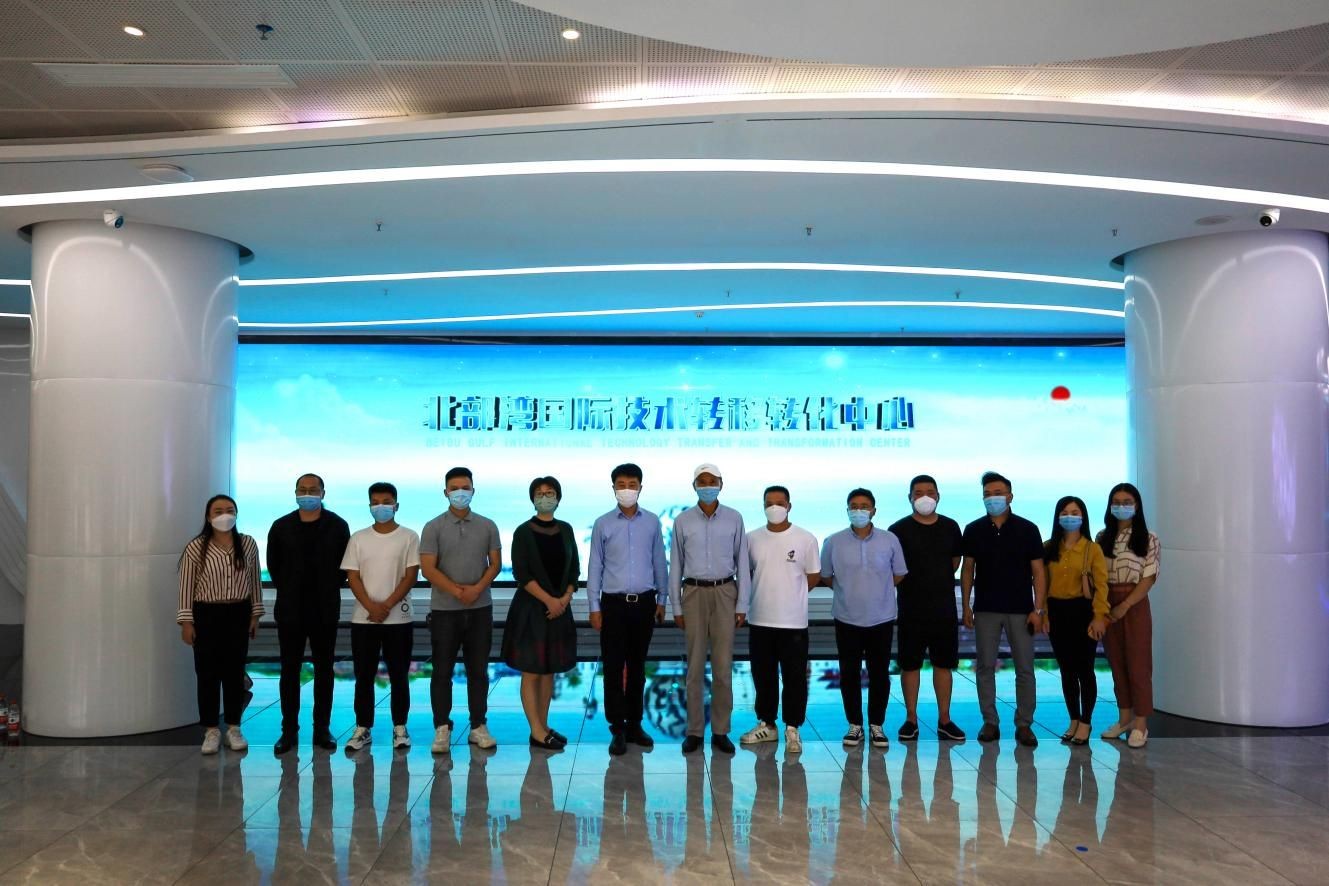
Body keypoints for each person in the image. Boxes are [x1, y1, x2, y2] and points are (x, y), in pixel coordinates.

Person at [668, 463, 751, 755]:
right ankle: (694, 731)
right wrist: (675, 606)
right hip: (692, 593)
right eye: (701, 481)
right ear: (694, 486)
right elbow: (676, 564)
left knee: (723, 667)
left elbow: (742, 562)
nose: (707, 486)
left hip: (725, 592)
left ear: (721, 484)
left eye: (712, 480)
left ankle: (720, 731)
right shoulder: (682, 521)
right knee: (694, 668)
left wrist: (742, 603)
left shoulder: (734, 518)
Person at [266, 472, 351, 755]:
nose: (307, 494)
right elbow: (274, 567)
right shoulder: (281, 526)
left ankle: (322, 729)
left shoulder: (338, 526)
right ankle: (288, 730)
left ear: (323, 493)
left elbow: (344, 568)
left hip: (324, 609)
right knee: (289, 670)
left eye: (313, 490)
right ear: (295, 493)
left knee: (324, 669)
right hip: (290, 609)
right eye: (302, 489)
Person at [960, 471, 1047, 747]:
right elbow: (968, 569)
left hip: (1021, 610)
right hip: (986, 609)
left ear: (1010, 496)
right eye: (987, 494)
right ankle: (990, 722)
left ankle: (1024, 724)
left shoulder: (1028, 529)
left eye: (997, 493)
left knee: (1025, 668)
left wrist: (1038, 609)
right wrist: (966, 605)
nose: (992, 498)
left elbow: (1039, 572)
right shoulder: (973, 529)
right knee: (985, 667)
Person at [419, 467, 502, 755]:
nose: (460, 492)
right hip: (445, 610)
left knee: (478, 671)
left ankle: (478, 726)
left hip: (480, 609)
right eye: (454, 488)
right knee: (442, 671)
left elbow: (495, 564)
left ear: (473, 490)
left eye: (465, 487)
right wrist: (457, 592)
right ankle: (442, 727)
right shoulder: (433, 527)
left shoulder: (488, 525)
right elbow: (428, 568)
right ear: (445, 492)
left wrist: (476, 589)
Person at [588, 463, 668, 756]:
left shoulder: (652, 522)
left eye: (632, 484)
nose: (626, 490)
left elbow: (659, 561)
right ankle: (617, 728)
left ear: (640, 488)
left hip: (644, 602)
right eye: (621, 485)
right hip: (613, 604)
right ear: (613, 489)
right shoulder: (603, 523)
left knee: (637, 666)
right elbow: (595, 566)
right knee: (612, 667)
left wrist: (662, 600)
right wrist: (594, 607)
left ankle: (634, 724)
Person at [819, 488, 907, 749]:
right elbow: (826, 576)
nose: (859, 510)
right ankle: (854, 725)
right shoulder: (833, 542)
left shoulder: (889, 540)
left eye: (864, 506)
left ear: (874, 511)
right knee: (849, 674)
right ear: (847, 510)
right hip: (847, 617)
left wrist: (877, 590)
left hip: (881, 617)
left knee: (879, 674)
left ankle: (877, 725)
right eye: (854, 506)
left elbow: (899, 574)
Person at [177, 494, 264, 755]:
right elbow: (186, 587)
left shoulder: (247, 544)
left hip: (238, 613)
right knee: (207, 674)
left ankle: (234, 727)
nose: (225, 515)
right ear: (208, 516)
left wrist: (255, 615)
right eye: (218, 511)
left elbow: (254, 582)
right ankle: (211, 730)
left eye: (230, 510)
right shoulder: (196, 547)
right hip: (206, 614)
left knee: (234, 673)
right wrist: (186, 622)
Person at [740, 485, 820, 754]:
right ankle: (767, 724)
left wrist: (790, 596)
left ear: (789, 506)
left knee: (795, 677)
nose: (774, 507)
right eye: (769, 503)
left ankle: (793, 728)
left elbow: (812, 577)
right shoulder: (751, 539)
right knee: (763, 676)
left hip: (793, 622)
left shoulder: (805, 539)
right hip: (760, 619)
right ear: (763, 506)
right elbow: (746, 575)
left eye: (779, 502)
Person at [342, 482, 420, 752]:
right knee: (364, 675)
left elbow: (410, 576)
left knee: (399, 675)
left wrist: (386, 605)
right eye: (375, 502)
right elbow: (352, 576)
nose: (381, 507)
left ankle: (400, 728)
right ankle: (363, 727)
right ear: (369, 506)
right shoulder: (358, 538)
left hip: (399, 619)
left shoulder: (409, 536)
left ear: (396, 505)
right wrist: (371, 607)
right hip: (364, 620)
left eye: (387, 502)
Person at [888, 474, 966, 743]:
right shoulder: (898, 529)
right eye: (918, 492)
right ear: (909, 497)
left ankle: (945, 720)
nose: (924, 497)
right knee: (910, 665)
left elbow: (955, 562)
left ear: (938, 496)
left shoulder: (950, 526)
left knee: (944, 665)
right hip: (910, 609)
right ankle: (911, 719)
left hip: (943, 609)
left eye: (930, 492)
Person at [504, 476, 579, 750]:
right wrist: (549, 600)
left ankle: (543, 726)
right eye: (539, 493)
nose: (544, 497)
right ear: (532, 498)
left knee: (549, 671)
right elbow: (521, 573)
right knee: (532, 671)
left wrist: (564, 599)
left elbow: (574, 569)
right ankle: (535, 729)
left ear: (558, 498)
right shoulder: (523, 532)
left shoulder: (566, 529)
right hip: (532, 610)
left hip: (559, 609)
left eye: (550, 493)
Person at [1096, 482, 1160, 748]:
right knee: (1117, 663)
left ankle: (1141, 724)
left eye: (1127, 502)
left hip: (1134, 604)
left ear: (1136, 506)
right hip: (1107, 602)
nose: (1121, 506)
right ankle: (1124, 719)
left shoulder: (1148, 538)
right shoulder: (1102, 537)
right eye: (1116, 502)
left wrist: (1125, 605)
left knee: (1138, 664)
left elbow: (1149, 578)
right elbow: (1097, 575)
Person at [1042, 495, 1109, 746]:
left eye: (1075, 512)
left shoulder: (1092, 549)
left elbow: (1101, 586)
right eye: (1065, 512)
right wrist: (1044, 614)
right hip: (1056, 613)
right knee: (1067, 670)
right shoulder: (1048, 547)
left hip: (1083, 612)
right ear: (1057, 517)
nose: (1069, 517)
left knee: (1085, 669)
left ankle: (1086, 721)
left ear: (1083, 517)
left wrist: (1099, 617)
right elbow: (1042, 585)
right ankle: (1073, 719)